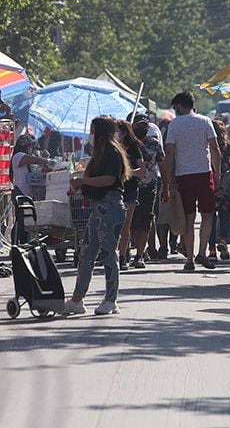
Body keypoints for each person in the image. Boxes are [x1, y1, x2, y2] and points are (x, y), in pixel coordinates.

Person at [64, 116, 129, 315]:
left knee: (109, 254)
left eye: (93, 131)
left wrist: (84, 183)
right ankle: (77, 298)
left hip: (109, 207)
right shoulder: (101, 153)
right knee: (87, 253)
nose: (91, 135)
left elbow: (109, 179)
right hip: (99, 207)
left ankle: (111, 300)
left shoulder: (111, 152)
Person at [161, 91, 222, 271]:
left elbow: (169, 152)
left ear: (180, 106)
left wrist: (168, 179)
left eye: (175, 107)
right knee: (208, 214)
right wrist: (217, 172)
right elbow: (215, 148)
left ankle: (190, 258)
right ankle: (202, 252)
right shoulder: (205, 121)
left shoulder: (174, 124)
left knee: (188, 216)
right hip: (204, 172)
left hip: (183, 174)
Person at [132, 115, 165, 263]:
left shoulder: (154, 144)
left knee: (146, 221)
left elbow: (162, 164)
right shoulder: (127, 145)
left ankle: (139, 255)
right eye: (139, 126)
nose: (142, 129)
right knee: (131, 223)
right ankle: (127, 250)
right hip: (131, 186)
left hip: (150, 187)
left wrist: (167, 186)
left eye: (145, 126)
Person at [116, 120, 145, 269]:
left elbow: (142, 169)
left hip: (130, 189)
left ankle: (122, 256)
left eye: (118, 131)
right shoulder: (111, 148)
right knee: (115, 224)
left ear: (124, 132)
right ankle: (116, 253)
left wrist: (129, 172)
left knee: (125, 224)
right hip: (114, 189)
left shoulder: (134, 148)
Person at [208, 120, 230, 261]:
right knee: (225, 217)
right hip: (226, 188)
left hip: (210, 186)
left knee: (210, 219)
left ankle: (212, 250)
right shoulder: (229, 148)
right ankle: (224, 242)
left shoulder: (207, 147)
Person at [10, 134, 50, 199]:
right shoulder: (18, 156)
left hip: (28, 194)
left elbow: (38, 167)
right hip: (21, 192)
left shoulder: (27, 157)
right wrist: (47, 161)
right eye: (30, 146)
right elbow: (36, 160)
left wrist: (44, 158)